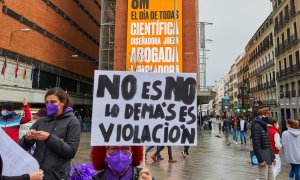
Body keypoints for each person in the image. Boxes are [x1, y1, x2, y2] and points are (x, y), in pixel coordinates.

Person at [19, 87, 81, 180]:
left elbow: (70, 152)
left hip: (57, 175)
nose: (49, 105)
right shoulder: (42, 120)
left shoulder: (72, 122)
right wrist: (28, 139)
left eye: (53, 102)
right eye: (47, 102)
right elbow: (21, 146)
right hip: (36, 173)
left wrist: (49, 138)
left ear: (63, 102)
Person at [251, 107, 276, 180]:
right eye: (265, 115)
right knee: (263, 177)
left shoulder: (264, 125)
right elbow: (256, 145)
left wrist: (273, 157)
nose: (267, 117)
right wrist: (260, 159)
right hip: (263, 155)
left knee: (271, 177)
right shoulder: (256, 126)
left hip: (269, 156)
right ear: (260, 115)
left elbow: (268, 143)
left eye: (268, 115)